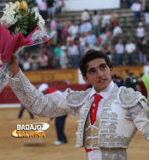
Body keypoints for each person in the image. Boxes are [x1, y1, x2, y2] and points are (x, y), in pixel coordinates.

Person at [8, 49, 149, 160]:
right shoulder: (81, 99)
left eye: (103, 67)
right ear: (85, 78)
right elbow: (39, 104)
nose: (100, 74)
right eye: (93, 71)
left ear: (111, 69)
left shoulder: (129, 99)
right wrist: (15, 72)